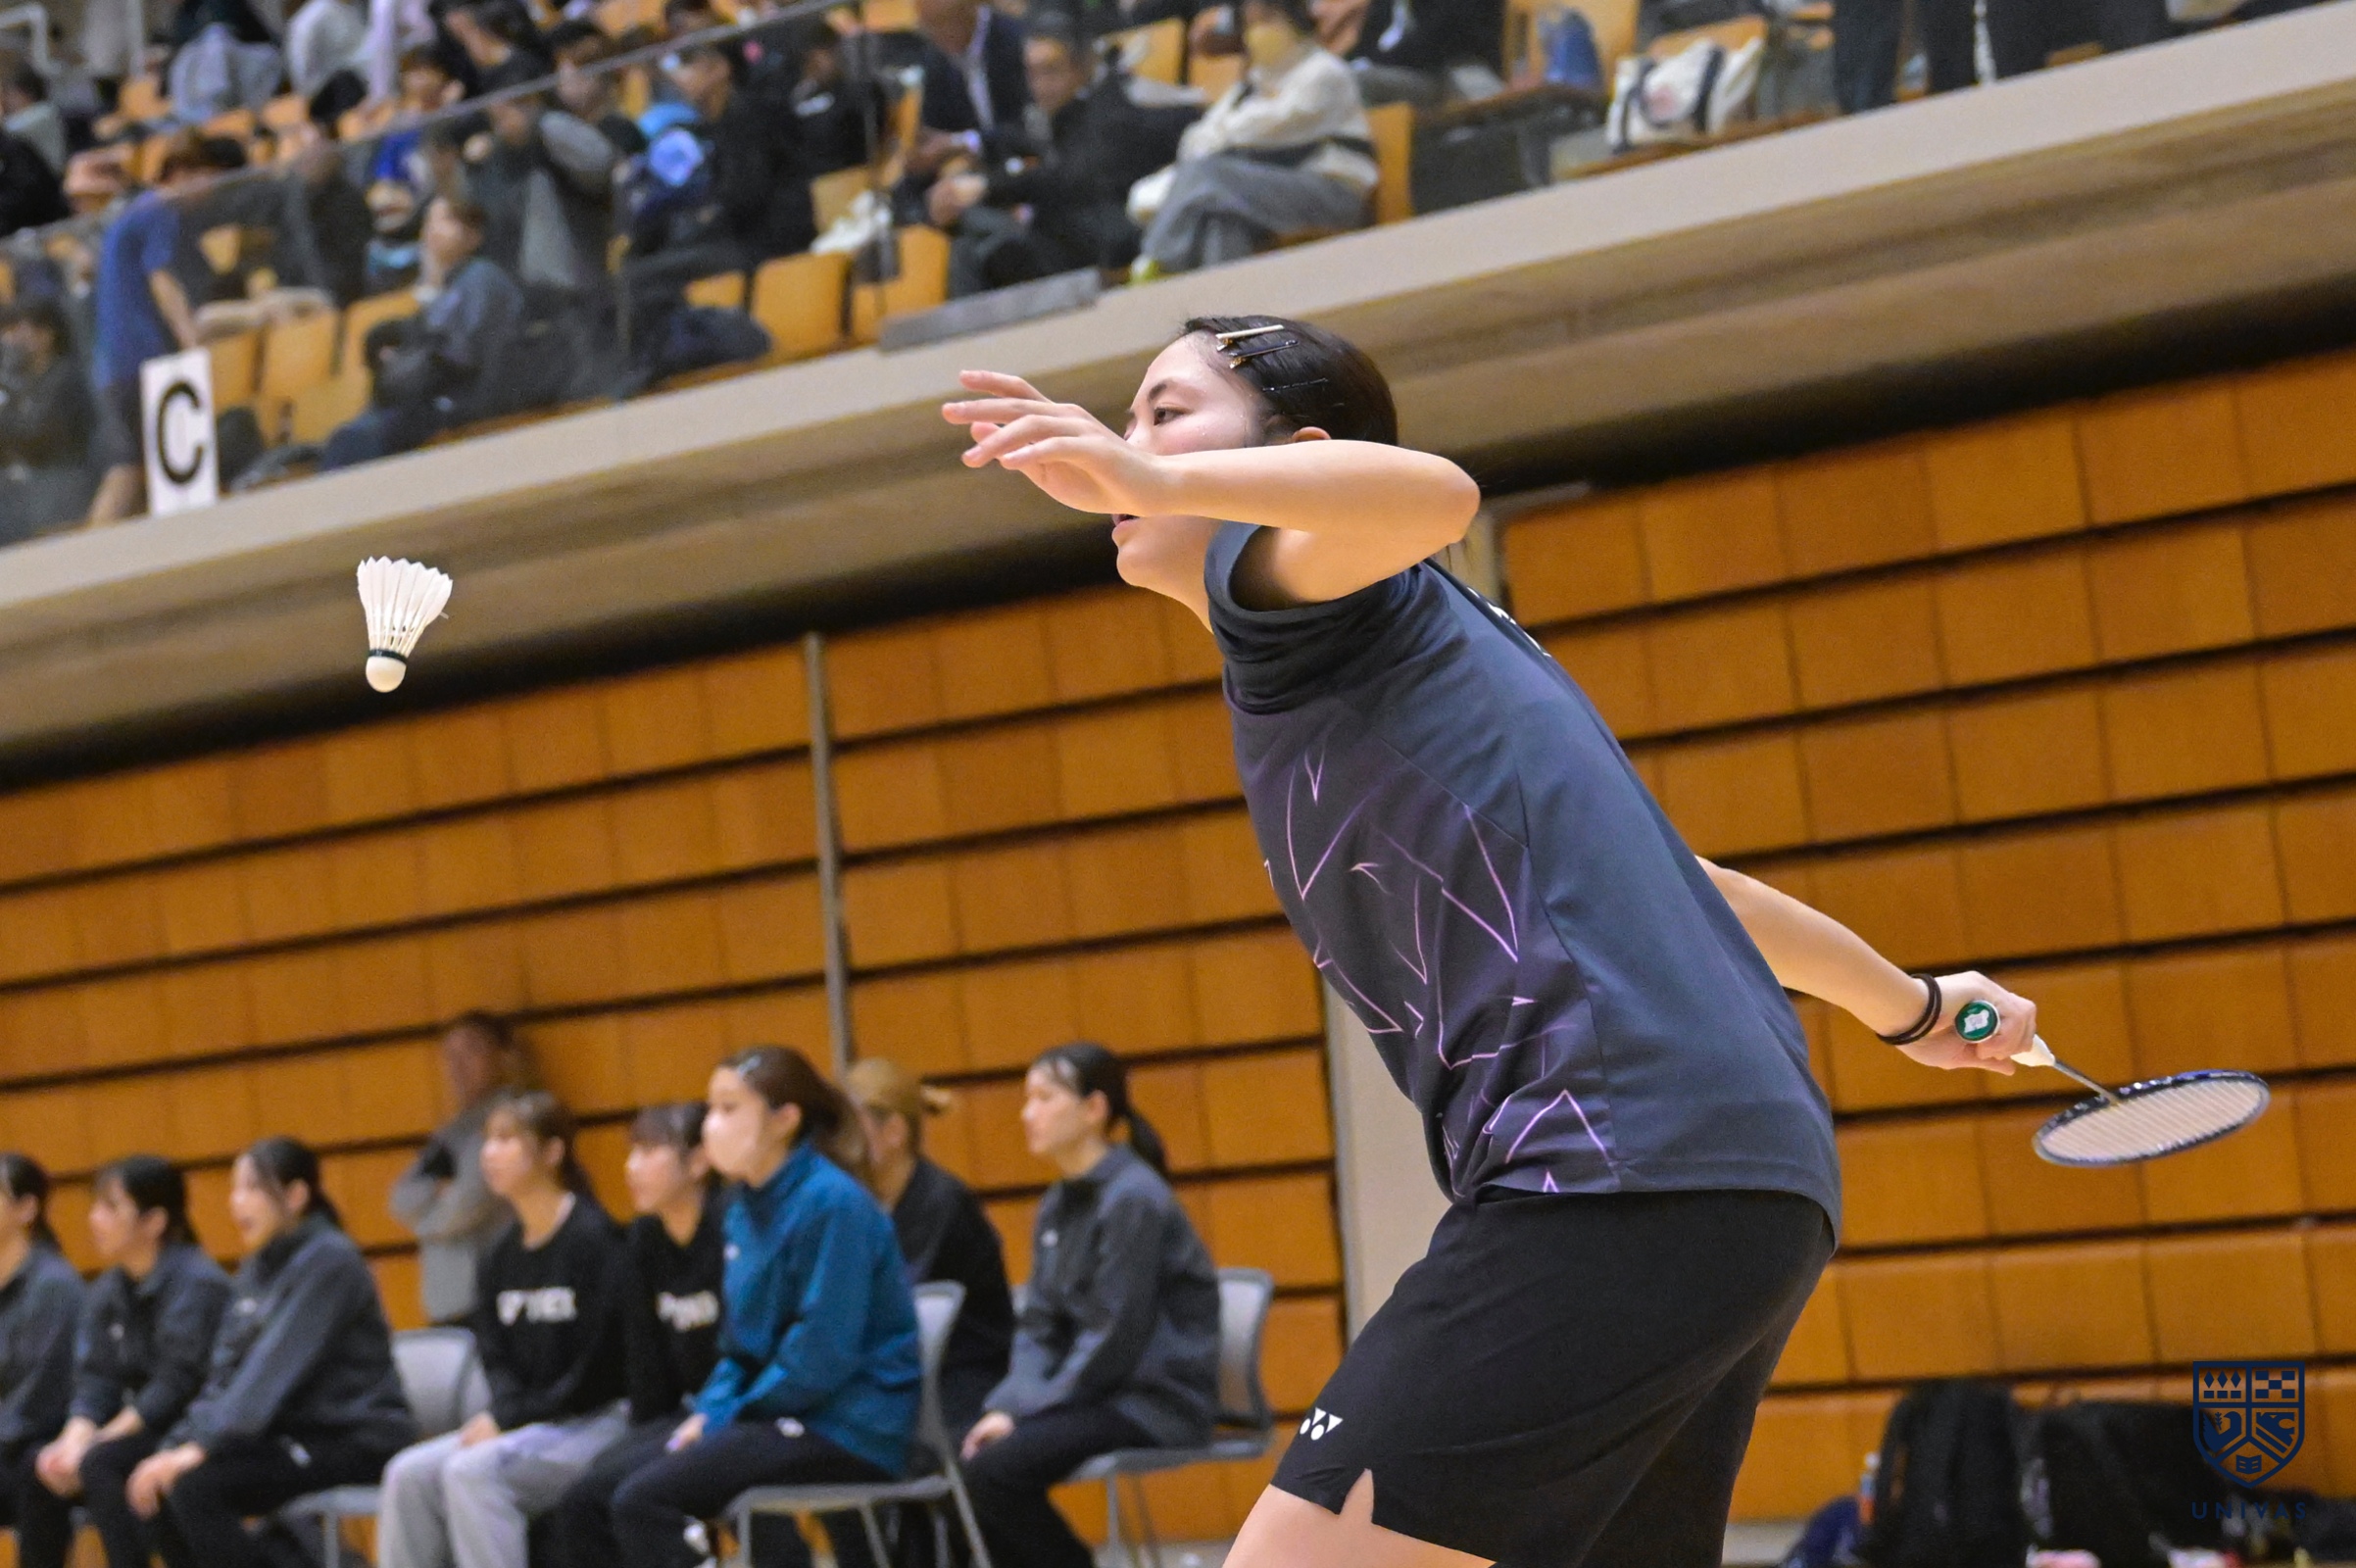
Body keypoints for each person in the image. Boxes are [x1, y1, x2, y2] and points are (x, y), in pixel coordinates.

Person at [941, 317, 2047, 1568]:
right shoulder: (1397, 659)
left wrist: (1150, 475)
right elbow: (1690, 892)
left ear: (1299, 456)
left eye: (1166, 408)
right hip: (1735, 1183)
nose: (1121, 441)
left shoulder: (1307, 596)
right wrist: (1910, 1006)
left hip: (1611, 1173)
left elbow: (1436, 494)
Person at [607, 1046, 920, 1568]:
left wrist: (731, 1417)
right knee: (600, 1494)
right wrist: (710, 1412)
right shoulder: (741, 1210)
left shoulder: (832, 1203)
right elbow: (740, 1347)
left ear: (784, 1120)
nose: (711, 1124)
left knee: (645, 1502)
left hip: (848, 1424)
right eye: (711, 1108)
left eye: (729, 1108)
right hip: (781, 1414)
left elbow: (822, 1351)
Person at [954, 1044, 1218, 1568]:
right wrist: (1010, 1404)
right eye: (1027, 1098)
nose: (1027, 1113)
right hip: (1095, 1394)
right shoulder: (1057, 1202)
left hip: (1149, 1399)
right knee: (977, 1464)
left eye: (1044, 1098)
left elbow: (1114, 1334)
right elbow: (1038, 1323)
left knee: (995, 1474)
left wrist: (1032, 1408)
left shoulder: (1133, 1198)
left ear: (1094, 1108)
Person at [125, 1138, 418, 1568]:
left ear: (295, 1196)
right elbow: (224, 1378)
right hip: (289, 1434)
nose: (236, 1202)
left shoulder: (331, 1261)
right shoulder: (256, 1268)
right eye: (234, 1189)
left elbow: (270, 1372)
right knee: (159, 1487)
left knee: (197, 1487)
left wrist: (199, 1450)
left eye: (251, 1188)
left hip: (353, 1435)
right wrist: (176, 1445)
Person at [378, 1091, 629, 1568]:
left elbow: (597, 1370)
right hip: (527, 1424)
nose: (489, 1153)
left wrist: (510, 1417)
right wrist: (510, 1414)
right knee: (407, 1475)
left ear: (552, 1152)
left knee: (474, 1473)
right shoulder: (499, 1254)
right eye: (488, 1140)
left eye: (506, 1139)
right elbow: (493, 1356)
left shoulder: (595, 1240)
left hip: (597, 1420)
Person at [546, 1102, 734, 1568]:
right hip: (683, 1416)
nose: (632, 1167)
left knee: (642, 1495)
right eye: (632, 1152)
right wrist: (641, 1441)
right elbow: (646, 1367)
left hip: (739, 1410)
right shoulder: (645, 1240)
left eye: (650, 1151)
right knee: (587, 1497)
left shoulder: (733, 1231)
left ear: (698, 1162)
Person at [31, 1156, 232, 1568]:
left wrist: (100, 1440)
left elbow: (174, 1385)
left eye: (110, 1207)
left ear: (154, 1221)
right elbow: (96, 1380)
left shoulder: (198, 1282)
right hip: (150, 1430)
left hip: (200, 1428)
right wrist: (70, 1442)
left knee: (103, 1463)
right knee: (41, 1468)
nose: (94, 1219)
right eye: (95, 1205)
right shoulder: (109, 1289)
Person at [928, 20, 1193, 295]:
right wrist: (964, 155)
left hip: (1108, 239)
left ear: (1081, 68)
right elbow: (1016, 138)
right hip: (1067, 239)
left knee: (991, 244)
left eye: (1051, 70)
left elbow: (1067, 176)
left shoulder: (1111, 108)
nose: (1041, 85)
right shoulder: (1056, 114)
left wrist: (987, 187)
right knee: (971, 241)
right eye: (1032, 73)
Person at [1127, 0, 1374, 279]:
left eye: (1267, 20)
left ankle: (1157, 260)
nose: (1258, 32)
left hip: (1331, 192)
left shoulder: (1325, 72)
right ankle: (1226, 299)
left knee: (1208, 175)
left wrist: (1222, 134)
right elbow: (1193, 142)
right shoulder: (1247, 88)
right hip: (1260, 191)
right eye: (1250, 25)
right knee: (1220, 218)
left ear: (1295, 20)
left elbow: (1273, 128)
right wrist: (1226, 134)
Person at [845, 1058, 1013, 1436]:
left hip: (965, 1371)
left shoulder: (942, 1201)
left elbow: (898, 1303)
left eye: (852, 1130)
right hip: (905, 1368)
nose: (840, 1146)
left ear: (894, 1132)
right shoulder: (861, 1202)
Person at [84, 135, 245, 527]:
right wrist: (192, 343)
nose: (210, 191)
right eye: (207, 178)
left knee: (133, 465)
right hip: (142, 357)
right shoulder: (159, 213)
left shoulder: (132, 214)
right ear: (183, 173)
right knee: (144, 466)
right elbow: (162, 281)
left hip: (115, 363)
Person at [388, 1011, 535, 1324]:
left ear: (504, 1057)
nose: (459, 1064)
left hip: (492, 1297)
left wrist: (425, 1223)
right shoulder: (449, 1133)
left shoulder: (511, 1121)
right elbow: (400, 1198)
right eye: (451, 1055)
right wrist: (440, 1195)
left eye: (472, 1050)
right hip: (448, 1303)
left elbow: (467, 1202)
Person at [0, 1155, 85, 1568]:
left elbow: (37, 1400)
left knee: (37, 1471)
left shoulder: (55, 1287)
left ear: (26, 1209)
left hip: (33, 1446)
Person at [0, 298, 99, 543]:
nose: (13, 340)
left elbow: (39, 435)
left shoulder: (65, 379)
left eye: (20, 329)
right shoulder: (24, 382)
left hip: (64, 485)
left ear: (46, 335)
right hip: (30, 491)